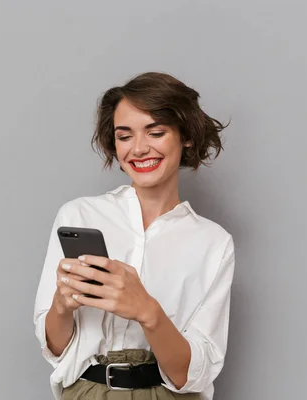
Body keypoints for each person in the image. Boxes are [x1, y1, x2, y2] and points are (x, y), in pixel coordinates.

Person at [33, 72, 235, 400]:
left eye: (155, 132)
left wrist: (146, 310)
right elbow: (55, 349)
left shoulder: (213, 242)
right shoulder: (79, 215)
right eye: (124, 136)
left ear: (185, 137)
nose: (139, 149)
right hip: (88, 391)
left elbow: (190, 375)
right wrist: (61, 306)